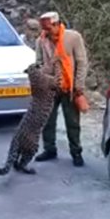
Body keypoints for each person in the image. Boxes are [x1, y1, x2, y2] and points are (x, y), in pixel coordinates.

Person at [34, 11, 90, 167]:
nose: (46, 32)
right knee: (47, 120)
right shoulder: (41, 41)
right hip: (50, 86)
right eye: (44, 29)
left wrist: (79, 86)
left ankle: (76, 152)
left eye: (49, 28)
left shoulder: (73, 38)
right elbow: (38, 63)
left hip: (69, 87)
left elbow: (81, 63)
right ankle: (49, 149)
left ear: (57, 24)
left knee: (72, 122)